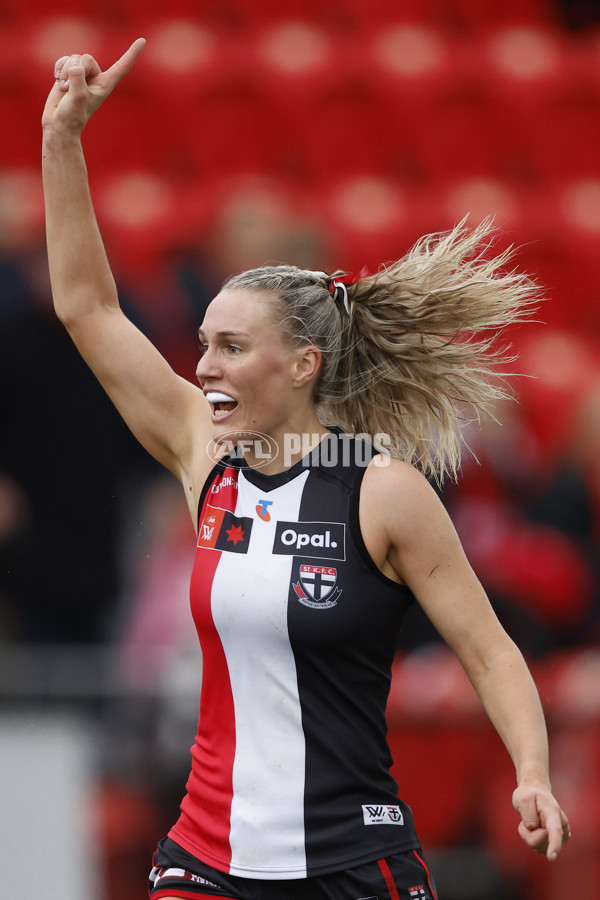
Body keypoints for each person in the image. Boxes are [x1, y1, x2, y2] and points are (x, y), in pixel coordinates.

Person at [42, 39, 570, 900]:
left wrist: (532, 772)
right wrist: (62, 142)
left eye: (231, 347)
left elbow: (489, 651)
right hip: (204, 863)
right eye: (204, 343)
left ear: (302, 367)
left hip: (352, 867)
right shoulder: (201, 457)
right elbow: (88, 307)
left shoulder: (382, 490)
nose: (203, 366)